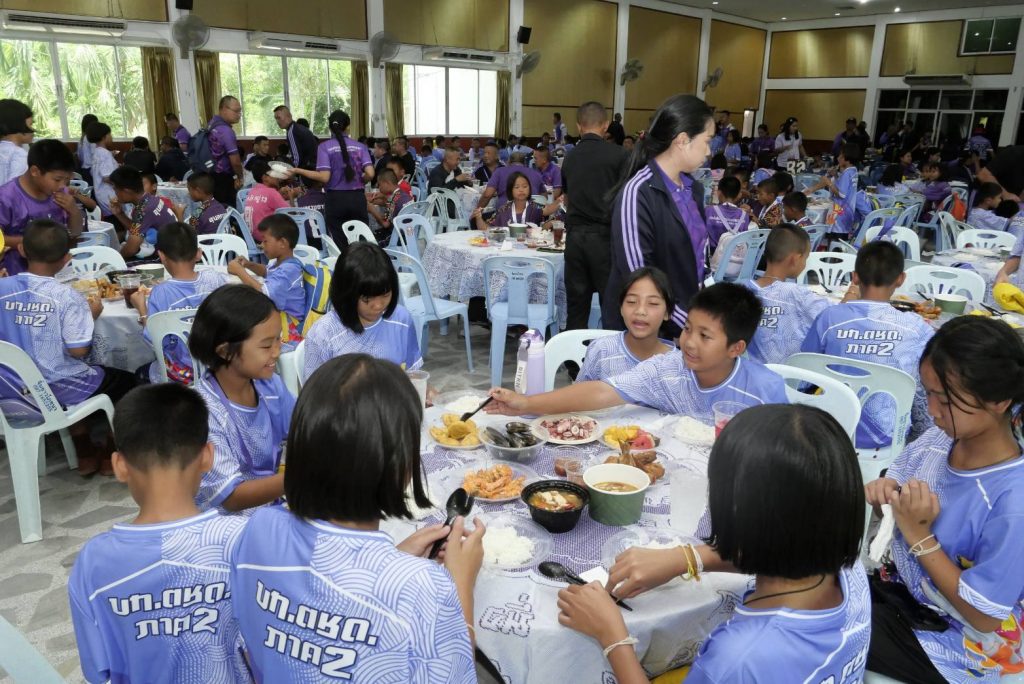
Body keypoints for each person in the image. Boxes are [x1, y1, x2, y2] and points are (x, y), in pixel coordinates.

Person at [559, 403, 868, 684]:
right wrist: (687, 558)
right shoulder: (849, 572)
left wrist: (613, 637)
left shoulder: (737, 660)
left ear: (734, 512)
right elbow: (786, 548)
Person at [231, 354, 485, 681]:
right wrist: (461, 584)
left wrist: (392, 561)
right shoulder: (424, 587)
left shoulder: (260, 528)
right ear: (402, 468)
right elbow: (454, 672)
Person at [865, 316, 1024, 684]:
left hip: (962, 640)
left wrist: (919, 536)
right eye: (928, 393)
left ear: (999, 400)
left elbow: (985, 617)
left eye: (946, 400)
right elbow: (895, 490)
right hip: (905, 594)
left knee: (820, 622)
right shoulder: (941, 440)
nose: (933, 410)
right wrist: (884, 495)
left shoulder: (1013, 500)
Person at [68, 384, 248, 684]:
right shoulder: (242, 542)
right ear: (207, 456)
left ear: (119, 466)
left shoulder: (92, 562)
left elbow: (98, 671)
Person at [487, 283, 788, 423]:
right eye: (688, 329)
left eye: (705, 336)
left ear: (736, 348)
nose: (689, 343)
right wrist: (525, 403)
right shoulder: (666, 368)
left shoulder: (764, 390)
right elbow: (603, 391)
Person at [0, 220, 138, 474]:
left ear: (21, 250)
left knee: (69, 372)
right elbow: (78, 351)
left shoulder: (2, 288)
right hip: (53, 388)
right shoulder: (67, 297)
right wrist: (90, 316)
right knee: (128, 382)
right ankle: (110, 450)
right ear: (67, 259)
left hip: (9, 389)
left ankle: (83, 449)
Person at [802, 240, 933, 450]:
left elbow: (803, 376)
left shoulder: (829, 318)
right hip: (887, 439)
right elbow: (924, 389)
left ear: (855, 277)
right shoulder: (917, 328)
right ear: (901, 279)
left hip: (829, 431)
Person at [604, 94, 713, 338]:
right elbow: (638, 278)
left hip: (683, 318)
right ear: (683, 140)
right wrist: (689, 326)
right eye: (707, 141)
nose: (708, 151)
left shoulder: (693, 189)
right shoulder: (638, 193)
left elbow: (697, 259)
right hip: (644, 330)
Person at [189, 285, 293, 513]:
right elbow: (231, 497)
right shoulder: (202, 411)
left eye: (278, 339)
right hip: (224, 522)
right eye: (266, 345)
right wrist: (302, 478)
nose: (277, 351)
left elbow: (304, 428)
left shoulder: (270, 386)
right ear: (225, 351)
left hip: (268, 506)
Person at [302, 242, 422, 381]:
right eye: (367, 299)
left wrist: (426, 389)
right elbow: (315, 391)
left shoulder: (401, 320)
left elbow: (414, 375)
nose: (378, 306)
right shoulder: (323, 334)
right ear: (346, 294)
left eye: (385, 295)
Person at [559, 103, 630, 331]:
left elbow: (566, 198)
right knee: (612, 305)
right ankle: (611, 352)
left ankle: (573, 353)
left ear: (579, 126)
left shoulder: (570, 158)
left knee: (577, 306)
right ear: (606, 125)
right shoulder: (620, 155)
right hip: (605, 239)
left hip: (575, 239)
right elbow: (628, 199)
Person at [131, 222, 229, 384]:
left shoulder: (160, 293)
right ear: (198, 254)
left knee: (139, 374)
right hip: (219, 367)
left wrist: (141, 309)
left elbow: (155, 342)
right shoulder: (215, 279)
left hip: (182, 374)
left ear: (161, 256)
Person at [744, 225, 832, 365]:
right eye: (805, 258)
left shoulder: (743, 290)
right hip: (792, 374)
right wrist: (852, 293)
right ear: (795, 259)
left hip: (750, 370)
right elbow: (834, 318)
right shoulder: (797, 295)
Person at [288, 110, 373, 252]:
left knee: (340, 245)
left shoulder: (324, 147)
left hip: (335, 200)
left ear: (330, 128)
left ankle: (344, 265)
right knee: (361, 241)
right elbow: (370, 173)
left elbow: (324, 177)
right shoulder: (360, 147)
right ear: (348, 126)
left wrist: (298, 170)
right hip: (357, 198)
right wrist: (361, 181)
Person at [0, 139, 83, 274]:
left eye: (67, 180)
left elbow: (76, 232)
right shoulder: (6, 197)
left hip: (57, 275)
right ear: (35, 171)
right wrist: (36, 243)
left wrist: (73, 210)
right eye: (57, 179)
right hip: (18, 275)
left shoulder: (61, 193)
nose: (62, 186)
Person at [576, 267, 674, 382]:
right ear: (621, 308)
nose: (640, 311)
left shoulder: (677, 364)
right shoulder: (602, 350)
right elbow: (578, 392)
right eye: (632, 301)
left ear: (667, 313)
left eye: (653, 303)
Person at [229, 214, 306, 342]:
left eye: (265, 241)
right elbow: (267, 271)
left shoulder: (289, 270)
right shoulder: (283, 263)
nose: (262, 245)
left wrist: (240, 271)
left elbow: (263, 294)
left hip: (289, 331)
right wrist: (248, 264)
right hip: (280, 320)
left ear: (282, 243)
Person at [107, 166, 175, 260]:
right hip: (171, 250)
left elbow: (131, 249)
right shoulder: (150, 199)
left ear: (126, 191)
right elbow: (137, 228)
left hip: (164, 258)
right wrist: (119, 213)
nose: (115, 194)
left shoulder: (143, 210)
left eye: (115, 190)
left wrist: (114, 260)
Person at [809, 143, 861, 236]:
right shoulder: (853, 171)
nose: (838, 158)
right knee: (841, 236)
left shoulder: (846, 174)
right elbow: (844, 188)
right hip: (846, 212)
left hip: (839, 214)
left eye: (841, 155)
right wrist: (836, 176)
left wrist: (828, 182)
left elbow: (841, 194)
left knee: (833, 236)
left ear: (847, 157)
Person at [243, 159, 295, 242]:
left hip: (253, 238)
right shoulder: (271, 193)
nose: (277, 176)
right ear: (265, 178)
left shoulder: (252, 191)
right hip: (269, 240)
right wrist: (291, 196)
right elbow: (292, 215)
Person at [472, 172, 545, 230]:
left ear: (530, 189)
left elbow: (547, 211)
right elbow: (486, 229)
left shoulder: (535, 207)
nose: (521, 190)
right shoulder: (504, 209)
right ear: (510, 190)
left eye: (525, 186)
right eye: (517, 187)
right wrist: (478, 218)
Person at [207, 96, 244, 207]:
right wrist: (239, 177)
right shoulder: (226, 131)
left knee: (213, 209)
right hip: (223, 180)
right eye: (236, 111)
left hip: (209, 174)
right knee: (227, 211)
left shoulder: (212, 123)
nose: (239, 114)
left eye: (240, 111)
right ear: (223, 109)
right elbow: (235, 162)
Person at [476, 152, 544, 209]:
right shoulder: (536, 173)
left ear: (508, 162)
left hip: (504, 213)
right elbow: (544, 196)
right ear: (525, 163)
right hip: (531, 214)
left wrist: (477, 211)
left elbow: (487, 195)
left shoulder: (500, 171)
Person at [367, 168, 411, 244]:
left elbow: (385, 224)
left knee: (370, 242)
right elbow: (390, 214)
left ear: (386, 183)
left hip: (398, 238)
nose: (379, 188)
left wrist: (372, 211)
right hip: (410, 233)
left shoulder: (393, 199)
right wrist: (384, 198)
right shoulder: (402, 194)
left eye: (380, 185)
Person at [706, 176, 748, 254]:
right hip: (733, 258)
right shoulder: (744, 215)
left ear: (719, 192)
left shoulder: (709, 211)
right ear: (739, 195)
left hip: (712, 257)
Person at [273, 105, 319, 174]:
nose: (277, 121)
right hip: (315, 168)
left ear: (288, 116)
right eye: (276, 118)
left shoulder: (292, 131)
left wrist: (287, 173)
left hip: (309, 170)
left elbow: (297, 159)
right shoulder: (298, 128)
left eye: (279, 118)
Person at [86, 121, 118, 219]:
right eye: (110, 134)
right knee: (117, 221)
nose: (112, 137)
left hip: (101, 195)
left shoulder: (96, 152)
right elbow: (107, 178)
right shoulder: (105, 154)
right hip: (110, 196)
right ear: (104, 137)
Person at [0, 98, 33, 185]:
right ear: (18, 125)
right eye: (30, 125)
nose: (33, 130)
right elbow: (14, 189)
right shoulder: (19, 154)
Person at [77, 113, 98, 184]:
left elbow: (80, 156)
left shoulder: (81, 139)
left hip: (84, 169)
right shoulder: (90, 138)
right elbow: (95, 154)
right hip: (91, 169)